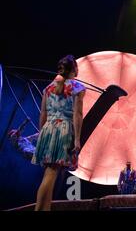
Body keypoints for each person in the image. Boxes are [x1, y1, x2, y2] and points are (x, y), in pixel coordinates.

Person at [32, 55, 86, 211]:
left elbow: (42, 114)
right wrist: (77, 139)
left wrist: (41, 133)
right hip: (63, 130)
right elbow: (77, 114)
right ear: (74, 69)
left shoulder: (48, 88)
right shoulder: (77, 88)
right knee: (51, 174)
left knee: (49, 174)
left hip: (48, 129)